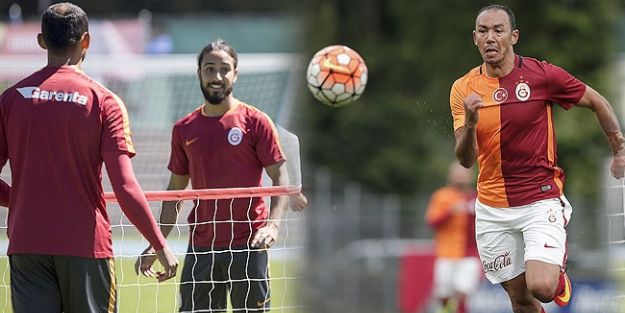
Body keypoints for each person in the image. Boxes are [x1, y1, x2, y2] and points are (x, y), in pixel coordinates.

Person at [0, 3, 178, 312]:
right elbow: (124, 186)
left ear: (42, 41)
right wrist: (160, 244)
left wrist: (22, 200)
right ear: (86, 41)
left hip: (26, 244)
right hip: (85, 245)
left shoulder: (11, 99)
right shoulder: (104, 102)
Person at [450, 4, 625, 313]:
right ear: (474, 38)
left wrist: (619, 148)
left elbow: (596, 101)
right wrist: (472, 121)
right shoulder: (463, 89)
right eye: (483, 31)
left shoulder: (541, 75)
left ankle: (558, 278)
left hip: (539, 200)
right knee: (521, 301)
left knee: (541, 288)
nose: (490, 38)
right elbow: (465, 160)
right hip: (492, 208)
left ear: (513, 36)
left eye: (498, 30)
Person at [135, 38, 289, 312]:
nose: (217, 77)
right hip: (202, 248)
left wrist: (272, 226)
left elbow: (280, 179)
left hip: (247, 245)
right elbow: (174, 193)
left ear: (235, 73)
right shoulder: (184, 129)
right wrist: (155, 244)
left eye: (224, 69)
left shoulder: (256, 122)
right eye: (209, 69)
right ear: (199, 73)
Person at [426, 162, 480, 313]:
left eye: (464, 173)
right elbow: (432, 221)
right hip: (446, 253)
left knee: (462, 292)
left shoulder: (477, 197)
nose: (460, 176)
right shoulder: (441, 196)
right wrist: (450, 212)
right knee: (444, 296)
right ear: (450, 175)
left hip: (470, 254)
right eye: (457, 173)